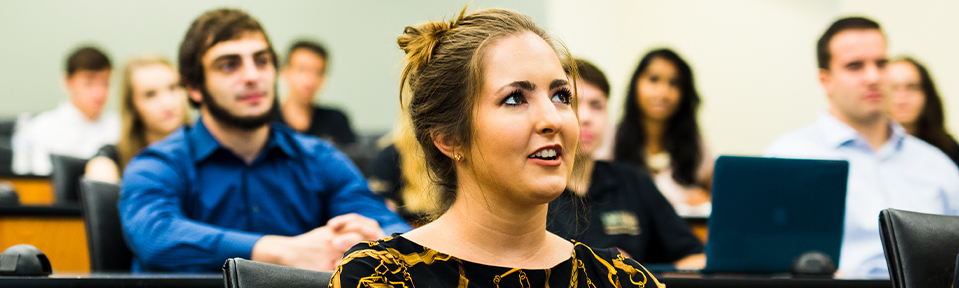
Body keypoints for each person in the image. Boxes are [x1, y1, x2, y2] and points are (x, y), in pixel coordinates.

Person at [332, 8, 662, 288]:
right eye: (515, 98)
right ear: (449, 138)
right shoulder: (379, 276)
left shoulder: (620, 278)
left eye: (561, 96)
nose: (553, 119)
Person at [118, 8, 410, 272]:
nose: (252, 76)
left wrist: (370, 237)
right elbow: (154, 234)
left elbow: (392, 229)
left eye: (262, 61)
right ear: (194, 87)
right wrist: (281, 252)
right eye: (229, 65)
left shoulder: (318, 157)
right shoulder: (157, 164)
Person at [765, 17, 959, 278]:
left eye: (881, 64)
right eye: (854, 66)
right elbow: (765, 260)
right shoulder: (789, 156)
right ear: (826, 80)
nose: (873, 77)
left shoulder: (936, 164)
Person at [547, 59, 705, 269]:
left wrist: (637, 275)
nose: (585, 117)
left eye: (597, 106)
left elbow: (695, 258)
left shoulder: (633, 181)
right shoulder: (535, 188)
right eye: (571, 103)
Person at [612, 48, 713, 216]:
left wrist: (705, 198)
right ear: (635, 84)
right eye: (653, 79)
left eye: (674, 83)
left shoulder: (695, 143)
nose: (663, 92)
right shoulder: (611, 139)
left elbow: (714, 194)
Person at [84, 55, 191, 183]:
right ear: (132, 107)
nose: (167, 103)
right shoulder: (112, 158)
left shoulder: (211, 146)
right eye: (150, 94)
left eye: (173, 87)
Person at [13, 46, 119, 175]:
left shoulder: (121, 128)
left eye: (105, 83)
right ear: (68, 81)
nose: (99, 92)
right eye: (89, 83)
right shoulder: (41, 129)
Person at [276, 40, 357, 147]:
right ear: (285, 71)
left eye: (318, 72)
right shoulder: (268, 122)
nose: (309, 80)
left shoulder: (336, 120)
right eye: (302, 70)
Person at [887, 57, 959, 167]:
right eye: (893, 88)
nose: (902, 97)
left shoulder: (948, 148)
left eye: (912, 87)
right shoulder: (866, 149)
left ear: (926, 94)